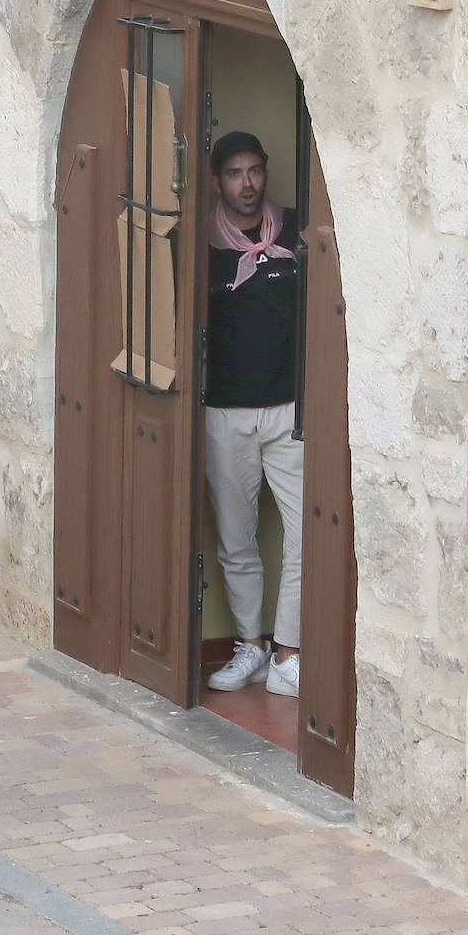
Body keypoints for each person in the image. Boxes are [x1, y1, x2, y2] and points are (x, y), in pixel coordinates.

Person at [202, 131, 304, 697]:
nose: (247, 184)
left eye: (255, 171)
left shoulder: (293, 231)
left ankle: (289, 651)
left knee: (305, 533)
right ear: (219, 180)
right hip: (226, 411)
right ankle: (251, 647)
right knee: (236, 538)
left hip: (290, 408)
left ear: (266, 173)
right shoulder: (201, 245)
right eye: (235, 173)